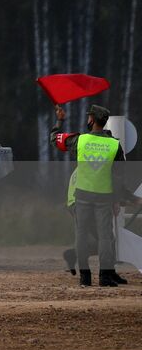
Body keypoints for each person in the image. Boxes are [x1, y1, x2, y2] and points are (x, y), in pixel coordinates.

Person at [51, 104, 128, 287]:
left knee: (81, 236)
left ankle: (85, 277)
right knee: (106, 238)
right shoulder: (114, 145)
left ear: (92, 120)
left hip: (82, 195)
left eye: (88, 117)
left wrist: (60, 120)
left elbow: (54, 139)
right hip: (104, 197)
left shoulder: (80, 140)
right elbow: (119, 176)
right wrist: (117, 201)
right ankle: (105, 276)